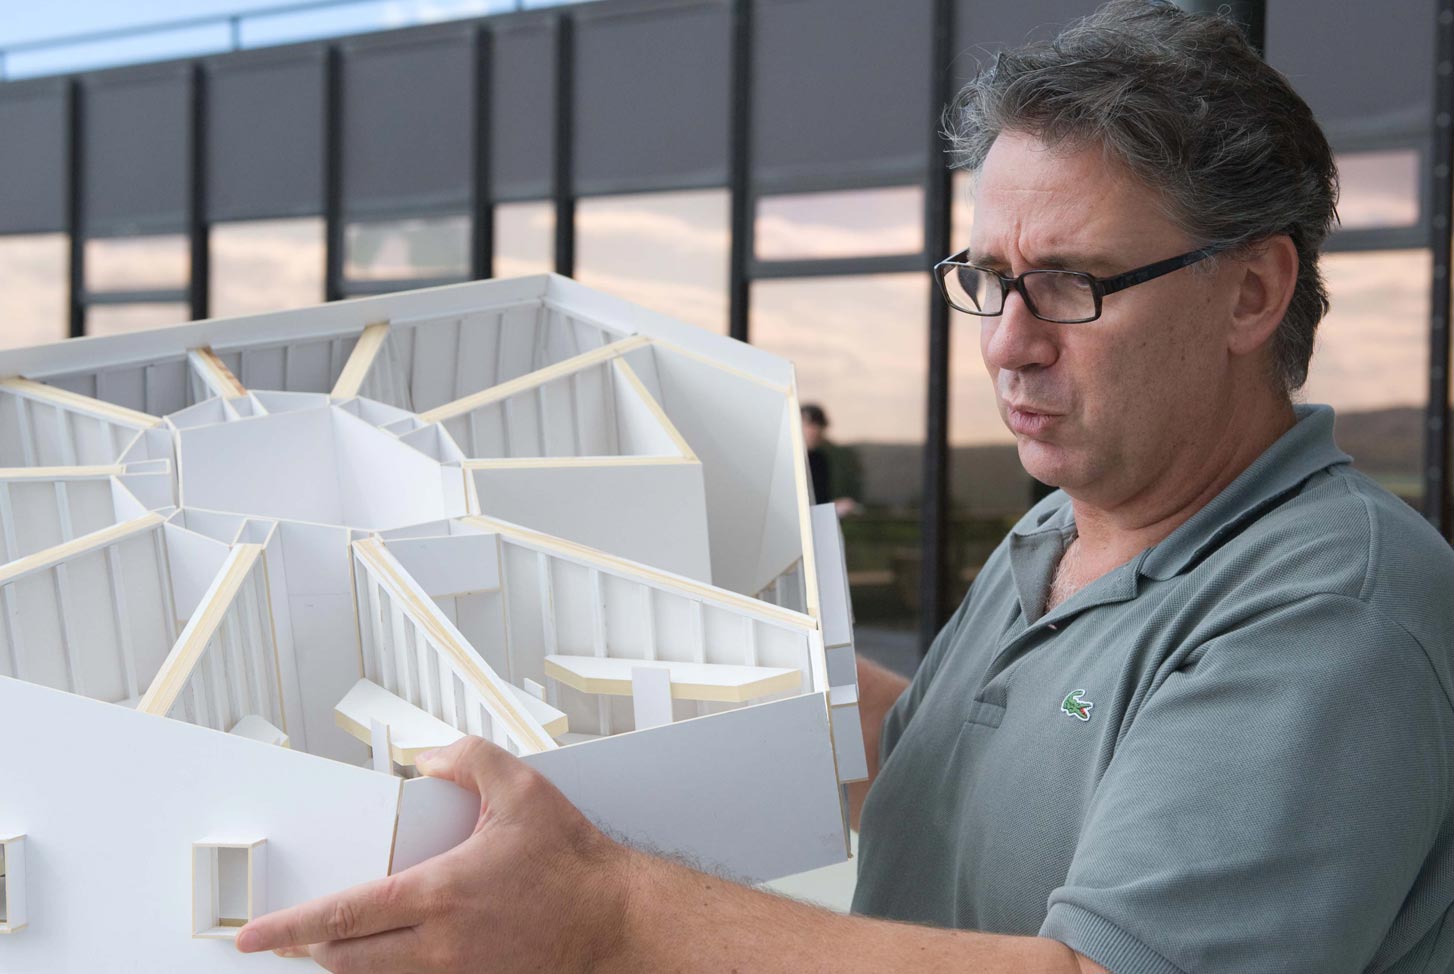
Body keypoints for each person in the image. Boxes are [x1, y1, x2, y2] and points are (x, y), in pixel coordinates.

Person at [235, 2, 1454, 971]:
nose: (1004, 342)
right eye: (985, 278)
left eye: (1073, 282)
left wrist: (603, 916)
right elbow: (954, 758)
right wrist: (654, 649)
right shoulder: (1063, 526)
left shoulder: (1327, 610)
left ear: (1251, 292)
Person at [801, 402, 864, 516]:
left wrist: (835, 505)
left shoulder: (826, 458)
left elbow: (823, 498)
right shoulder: (787, 459)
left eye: (817, 425)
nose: (813, 430)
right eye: (807, 425)